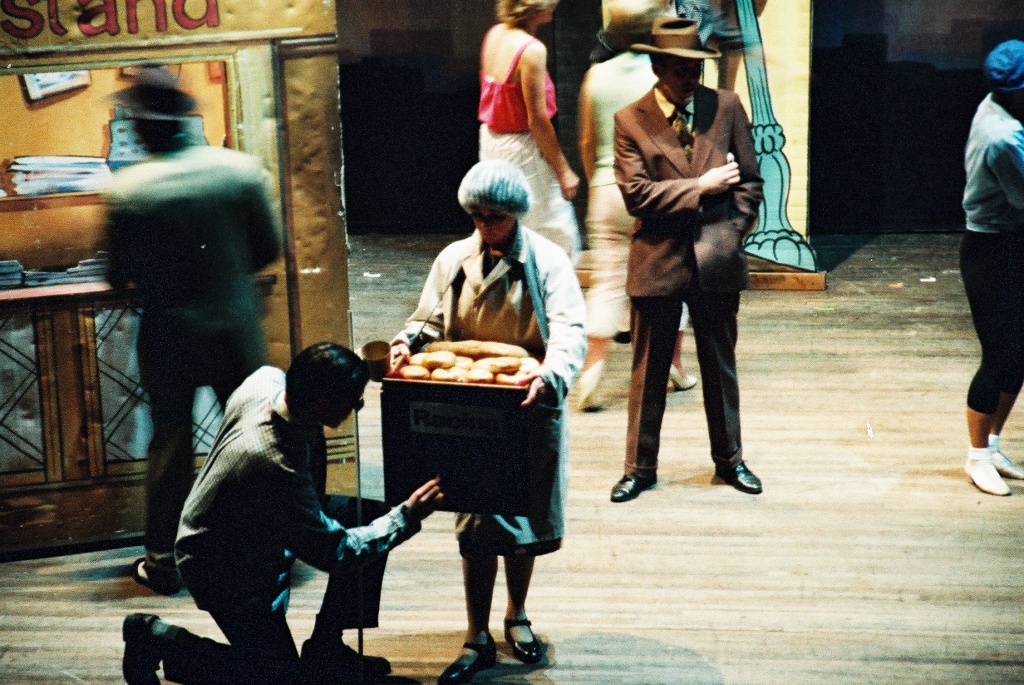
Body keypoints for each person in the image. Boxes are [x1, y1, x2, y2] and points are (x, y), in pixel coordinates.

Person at [121, 343, 445, 684]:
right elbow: (336, 551)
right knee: (281, 679)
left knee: (366, 515)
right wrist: (406, 516)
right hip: (223, 566)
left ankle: (326, 649)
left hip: (252, 523)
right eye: (352, 401)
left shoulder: (266, 381)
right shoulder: (274, 463)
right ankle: (155, 637)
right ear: (321, 404)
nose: (356, 407)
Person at [390, 160, 586, 684]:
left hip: (526, 403)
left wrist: (552, 374)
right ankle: (476, 633)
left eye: (494, 217)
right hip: (468, 408)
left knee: (521, 520)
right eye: (476, 216)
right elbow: (428, 319)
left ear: (516, 214)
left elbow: (570, 328)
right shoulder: (453, 259)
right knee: (475, 523)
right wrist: (407, 342)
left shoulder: (547, 261)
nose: (484, 226)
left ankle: (517, 615)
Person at [104, 64, 281, 595]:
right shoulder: (240, 171)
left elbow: (117, 275)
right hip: (235, 330)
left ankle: (163, 559)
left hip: (168, 333)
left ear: (143, 127)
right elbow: (266, 250)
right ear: (184, 118)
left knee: (170, 444)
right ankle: (264, 547)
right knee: (254, 436)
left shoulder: (129, 189)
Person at [609, 17, 764, 503]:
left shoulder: (726, 106)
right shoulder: (630, 120)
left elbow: (750, 182)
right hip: (658, 259)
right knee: (649, 371)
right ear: (657, 67)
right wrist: (700, 187)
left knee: (720, 367)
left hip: (715, 258)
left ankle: (730, 460)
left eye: (696, 68)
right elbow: (637, 196)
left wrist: (732, 234)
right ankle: (639, 468)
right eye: (681, 69)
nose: (691, 78)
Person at [576, 0, 697, 411]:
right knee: (671, 277)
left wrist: (598, 180)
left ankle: (592, 371)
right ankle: (674, 365)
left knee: (608, 280)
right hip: (652, 189)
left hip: (607, 189)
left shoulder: (595, 76)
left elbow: (588, 140)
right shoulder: (660, 77)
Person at [960, 40, 1024, 496]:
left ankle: (994, 445)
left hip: (1010, 242)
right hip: (992, 250)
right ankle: (976, 456)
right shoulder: (1002, 136)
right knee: (997, 356)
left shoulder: (997, 103)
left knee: (1018, 354)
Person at [477, 0, 581, 261]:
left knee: (509, 225)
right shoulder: (531, 51)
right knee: (553, 228)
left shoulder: (495, 34)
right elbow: (537, 121)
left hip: (491, 141)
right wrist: (564, 171)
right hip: (521, 150)